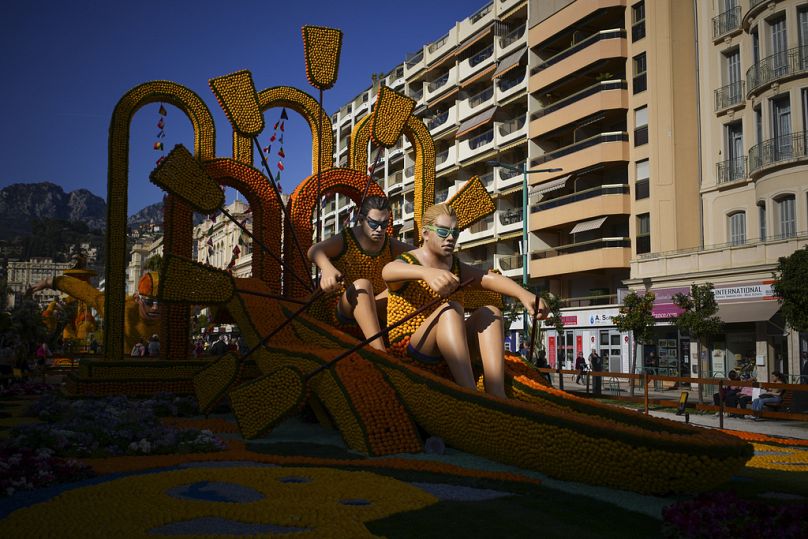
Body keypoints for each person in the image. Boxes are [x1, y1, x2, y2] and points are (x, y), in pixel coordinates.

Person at [382, 203, 546, 399]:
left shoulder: (456, 266)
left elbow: (488, 278)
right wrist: (426, 273)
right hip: (412, 349)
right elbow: (388, 271)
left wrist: (524, 294)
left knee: (490, 312)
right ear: (425, 234)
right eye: (443, 231)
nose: (450, 237)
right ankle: (469, 394)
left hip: (450, 354)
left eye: (455, 232)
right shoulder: (409, 261)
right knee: (450, 310)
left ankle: (496, 393)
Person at [308, 196, 412, 352]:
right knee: (362, 286)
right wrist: (327, 268)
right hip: (342, 308)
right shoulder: (347, 239)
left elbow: (419, 255)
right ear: (362, 219)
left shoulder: (388, 243)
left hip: (373, 307)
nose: (379, 230)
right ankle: (379, 352)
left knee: (402, 285)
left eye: (384, 224)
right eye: (374, 223)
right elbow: (314, 250)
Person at [30, 271, 161, 355]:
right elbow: (87, 292)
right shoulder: (120, 309)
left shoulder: (172, 314)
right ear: (137, 298)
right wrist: (51, 282)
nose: (155, 308)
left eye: (161, 302)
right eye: (149, 302)